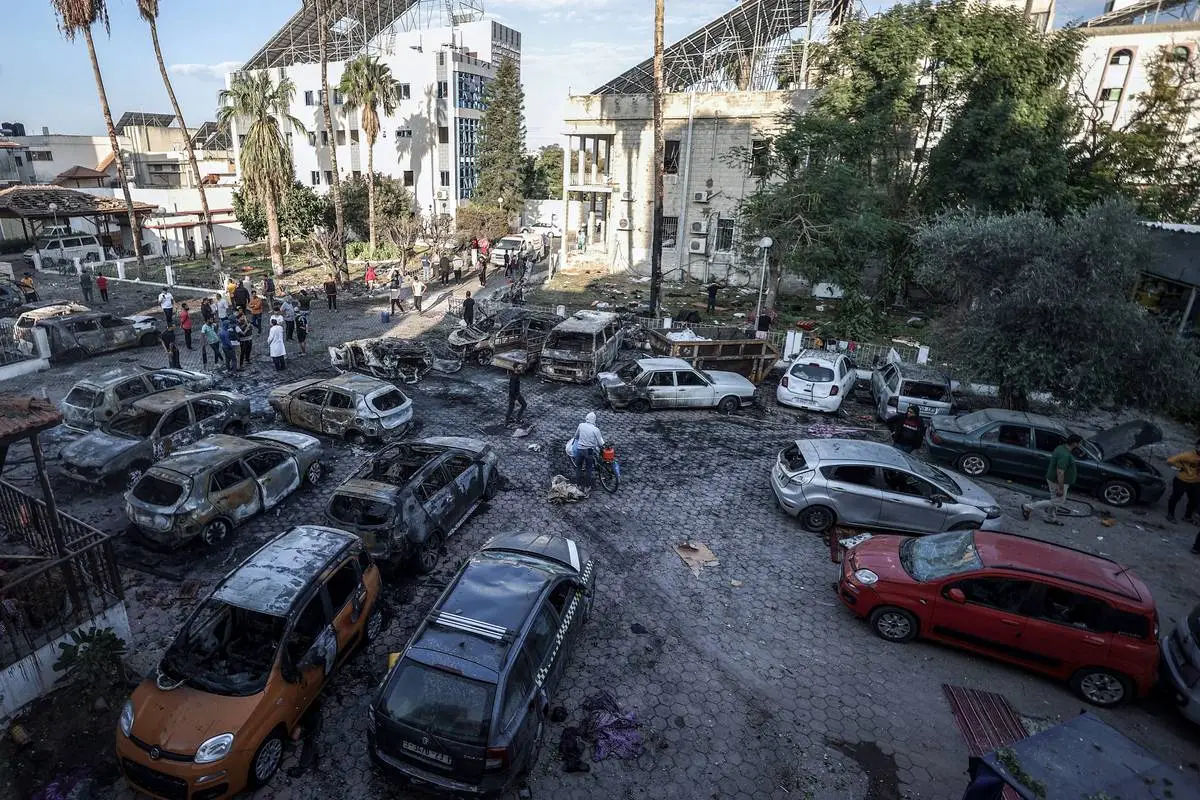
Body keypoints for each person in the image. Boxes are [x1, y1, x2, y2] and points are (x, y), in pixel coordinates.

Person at [1021, 433, 1083, 525]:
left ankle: (1051, 518)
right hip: (1058, 481)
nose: (1081, 445)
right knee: (1057, 502)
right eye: (1080, 443)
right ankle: (1028, 507)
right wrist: (1060, 487)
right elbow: (1060, 472)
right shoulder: (1065, 455)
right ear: (1074, 443)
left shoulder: (1061, 448)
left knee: (1055, 500)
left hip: (1055, 479)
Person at [1166, 439, 1200, 523]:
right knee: (1175, 498)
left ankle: (1187, 517)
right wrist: (1181, 467)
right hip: (1181, 480)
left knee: (1194, 500)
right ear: (1197, 447)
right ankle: (1170, 515)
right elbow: (1170, 461)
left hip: (1195, 482)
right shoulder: (1187, 455)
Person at [573, 411, 605, 495]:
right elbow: (600, 443)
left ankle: (577, 485)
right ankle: (587, 487)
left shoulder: (581, 425)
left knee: (578, 467)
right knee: (588, 468)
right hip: (589, 450)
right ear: (594, 420)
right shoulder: (596, 430)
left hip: (580, 449)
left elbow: (576, 436)